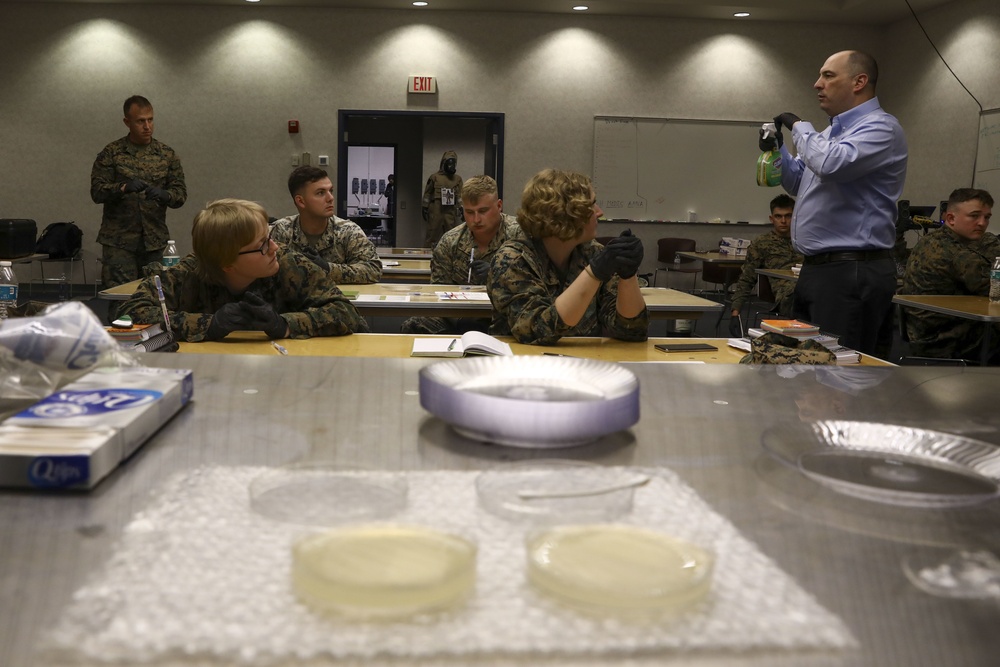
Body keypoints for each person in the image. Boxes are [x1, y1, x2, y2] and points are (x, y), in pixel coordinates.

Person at [766, 50, 907, 357]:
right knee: (808, 362)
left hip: (853, 270)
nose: (818, 84)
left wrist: (799, 126)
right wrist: (779, 151)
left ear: (859, 81)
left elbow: (831, 164)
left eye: (828, 76)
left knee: (840, 371)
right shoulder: (831, 132)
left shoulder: (881, 128)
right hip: (819, 269)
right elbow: (796, 182)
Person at [119, 199, 369, 342]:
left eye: (268, 237)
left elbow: (346, 313)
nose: (274, 247)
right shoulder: (189, 272)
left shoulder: (287, 263)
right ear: (226, 263)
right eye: (261, 245)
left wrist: (285, 325)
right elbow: (130, 315)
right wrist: (210, 324)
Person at [487, 169, 649, 344]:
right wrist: (593, 274)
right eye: (591, 205)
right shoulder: (513, 259)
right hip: (523, 365)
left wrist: (628, 275)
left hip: (584, 365)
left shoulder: (591, 252)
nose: (599, 212)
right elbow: (536, 331)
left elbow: (632, 331)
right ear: (565, 214)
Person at [401, 175, 524, 335]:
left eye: (483, 211)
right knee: (414, 325)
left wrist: (498, 276)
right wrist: (459, 320)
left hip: (508, 314)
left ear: (499, 206)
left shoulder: (520, 235)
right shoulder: (450, 241)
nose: (476, 219)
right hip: (460, 315)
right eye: (469, 212)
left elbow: (538, 287)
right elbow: (438, 292)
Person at [90, 95, 187, 288]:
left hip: (155, 241)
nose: (147, 126)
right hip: (119, 242)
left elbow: (180, 194)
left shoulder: (166, 154)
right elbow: (97, 192)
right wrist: (122, 187)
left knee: (156, 297)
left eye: (150, 120)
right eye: (140, 121)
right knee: (121, 300)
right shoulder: (112, 153)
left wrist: (164, 194)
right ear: (127, 122)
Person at [900, 188, 998, 362]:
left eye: (987, 217)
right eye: (974, 216)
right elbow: (993, 289)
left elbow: (992, 246)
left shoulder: (940, 239)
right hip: (944, 339)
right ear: (951, 218)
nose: (982, 223)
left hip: (931, 332)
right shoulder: (951, 251)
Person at [270, 166, 382, 284]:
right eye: (320, 193)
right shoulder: (281, 230)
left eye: (331, 191)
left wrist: (328, 268)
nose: (330, 198)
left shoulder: (348, 231)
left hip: (335, 300)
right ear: (301, 201)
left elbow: (373, 270)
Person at [728, 194, 803, 335]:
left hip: (810, 286)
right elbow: (746, 278)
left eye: (788, 216)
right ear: (771, 219)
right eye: (778, 216)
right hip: (787, 294)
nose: (783, 221)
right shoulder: (762, 243)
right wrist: (735, 313)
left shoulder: (806, 240)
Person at [422, 150, 463, 247]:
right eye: (449, 163)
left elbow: (460, 195)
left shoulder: (457, 179)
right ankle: (427, 255)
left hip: (450, 210)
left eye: (453, 163)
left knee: (451, 234)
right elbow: (427, 193)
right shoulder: (434, 177)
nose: (451, 166)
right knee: (432, 232)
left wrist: (462, 208)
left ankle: (450, 254)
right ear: (444, 163)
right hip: (436, 209)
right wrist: (424, 207)